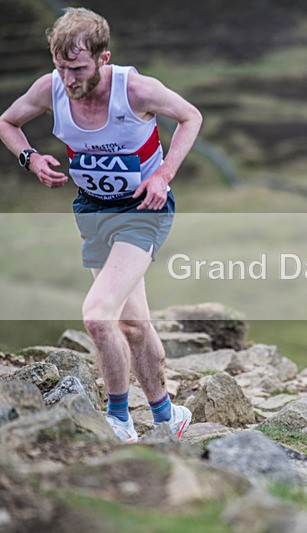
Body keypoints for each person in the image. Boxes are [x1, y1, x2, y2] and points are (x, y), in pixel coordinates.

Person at [0, 8, 202, 443]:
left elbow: (191, 117)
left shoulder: (137, 90)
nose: (68, 79)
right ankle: (169, 415)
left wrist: (163, 174)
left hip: (142, 213)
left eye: (77, 68)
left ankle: (118, 421)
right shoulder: (50, 89)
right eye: (60, 67)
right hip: (92, 211)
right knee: (132, 325)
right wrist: (30, 159)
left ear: (102, 58)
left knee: (96, 317)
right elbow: (7, 122)